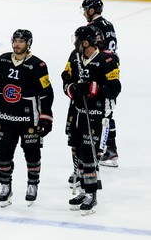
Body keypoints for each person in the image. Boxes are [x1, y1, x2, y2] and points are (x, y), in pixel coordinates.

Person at [0, 29, 54, 207]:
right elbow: (0, 80)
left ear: (28, 44)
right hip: (6, 117)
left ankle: (32, 185)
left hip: (29, 118)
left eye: (21, 41)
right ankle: (5, 186)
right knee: (4, 153)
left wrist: (46, 117)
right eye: (15, 40)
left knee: (32, 153)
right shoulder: (4, 59)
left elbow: (46, 92)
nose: (17, 44)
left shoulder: (38, 65)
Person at [62, 25, 121, 215]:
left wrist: (94, 89)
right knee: (77, 151)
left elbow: (114, 88)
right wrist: (71, 88)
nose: (75, 42)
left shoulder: (107, 59)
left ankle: (91, 194)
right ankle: (82, 190)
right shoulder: (74, 56)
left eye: (78, 39)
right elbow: (65, 77)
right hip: (78, 111)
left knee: (89, 153)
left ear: (86, 42)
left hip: (97, 115)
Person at [81, 0, 119, 167]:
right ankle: (109, 148)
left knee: (101, 111)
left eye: (85, 9)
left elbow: (94, 49)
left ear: (91, 10)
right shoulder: (108, 23)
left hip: (100, 66)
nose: (83, 13)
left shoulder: (92, 27)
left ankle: (106, 150)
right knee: (107, 109)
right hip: (112, 64)